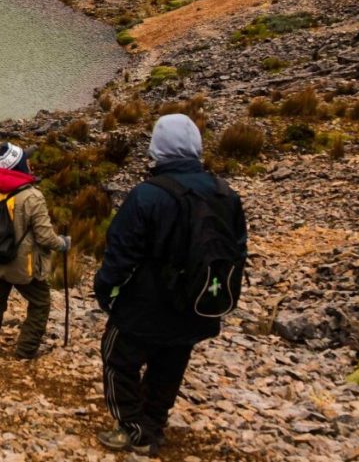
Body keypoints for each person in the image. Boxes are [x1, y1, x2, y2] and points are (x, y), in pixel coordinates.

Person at [93, 114, 247, 454]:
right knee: (171, 363)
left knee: (118, 359)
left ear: (157, 149)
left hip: (145, 305)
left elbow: (120, 253)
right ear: (195, 147)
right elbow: (237, 250)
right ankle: (153, 425)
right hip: (199, 303)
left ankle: (133, 429)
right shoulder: (226, 195)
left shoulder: (147, 196)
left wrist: (105, 291)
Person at [0, 142, 69, 360]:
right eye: (25, 160)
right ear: (17, 167)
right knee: (40, 303)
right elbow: (45, 237)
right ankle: (25, 351)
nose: (30, 162)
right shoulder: (33, 197)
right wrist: (63, 243)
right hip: (22, 265)